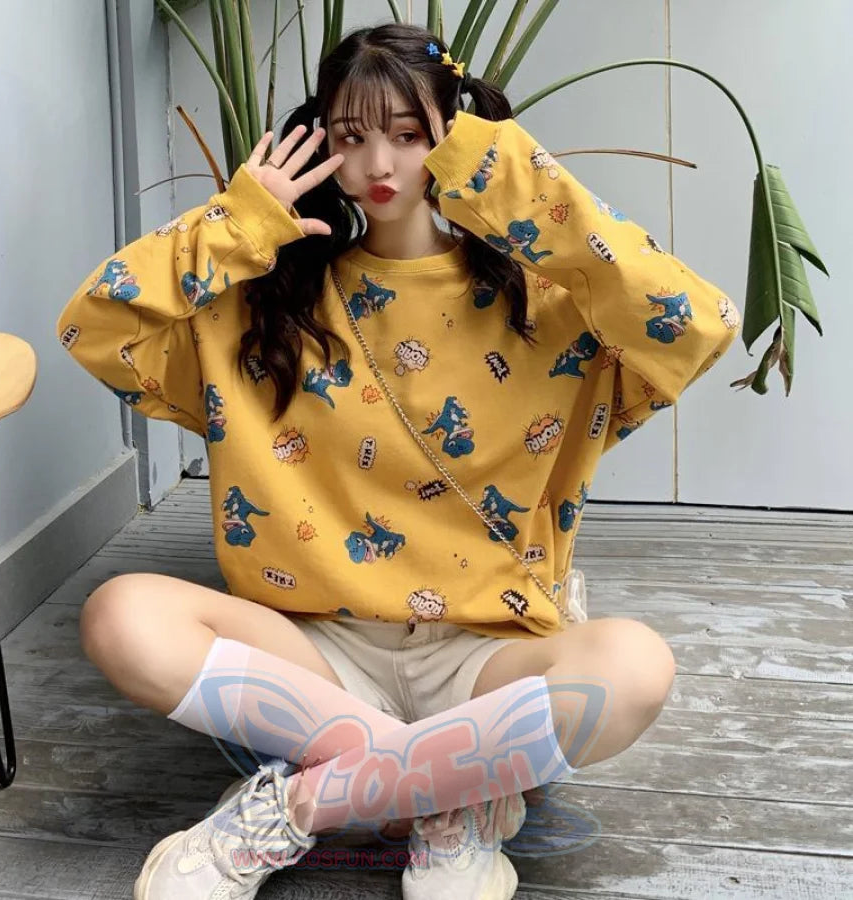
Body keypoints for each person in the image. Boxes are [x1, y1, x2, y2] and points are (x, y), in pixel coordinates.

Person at [56, 21, 739, 900]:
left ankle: (301, 804)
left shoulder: (547, 305)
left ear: (456, 137)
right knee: (121, 614)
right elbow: (93, 328)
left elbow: (696, 326)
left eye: (411, 134)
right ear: (322, 146)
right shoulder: (264, 306)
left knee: (635, 666)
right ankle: (459, 790)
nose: (379, 162)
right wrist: (236, 224)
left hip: (487, 656)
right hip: (316, 652)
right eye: (351, 137)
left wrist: (512, 181)